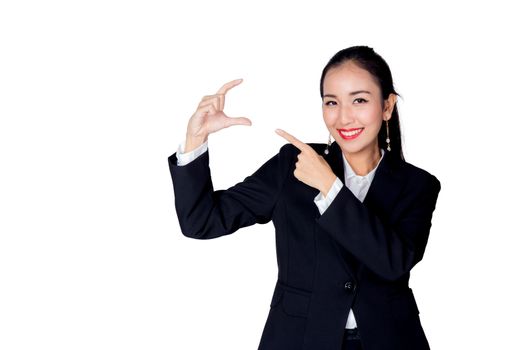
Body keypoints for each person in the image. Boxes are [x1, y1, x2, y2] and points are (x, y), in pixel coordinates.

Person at [167, 45, 441, 350]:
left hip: (390, 340)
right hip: (299, 339)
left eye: (360, 100)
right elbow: (200, 222)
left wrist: (330, 186)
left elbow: (392, 262)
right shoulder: (292, 165)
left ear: (387, 107)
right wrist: (195, 139)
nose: (344, 117)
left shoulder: (418, 185)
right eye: (331, 102)